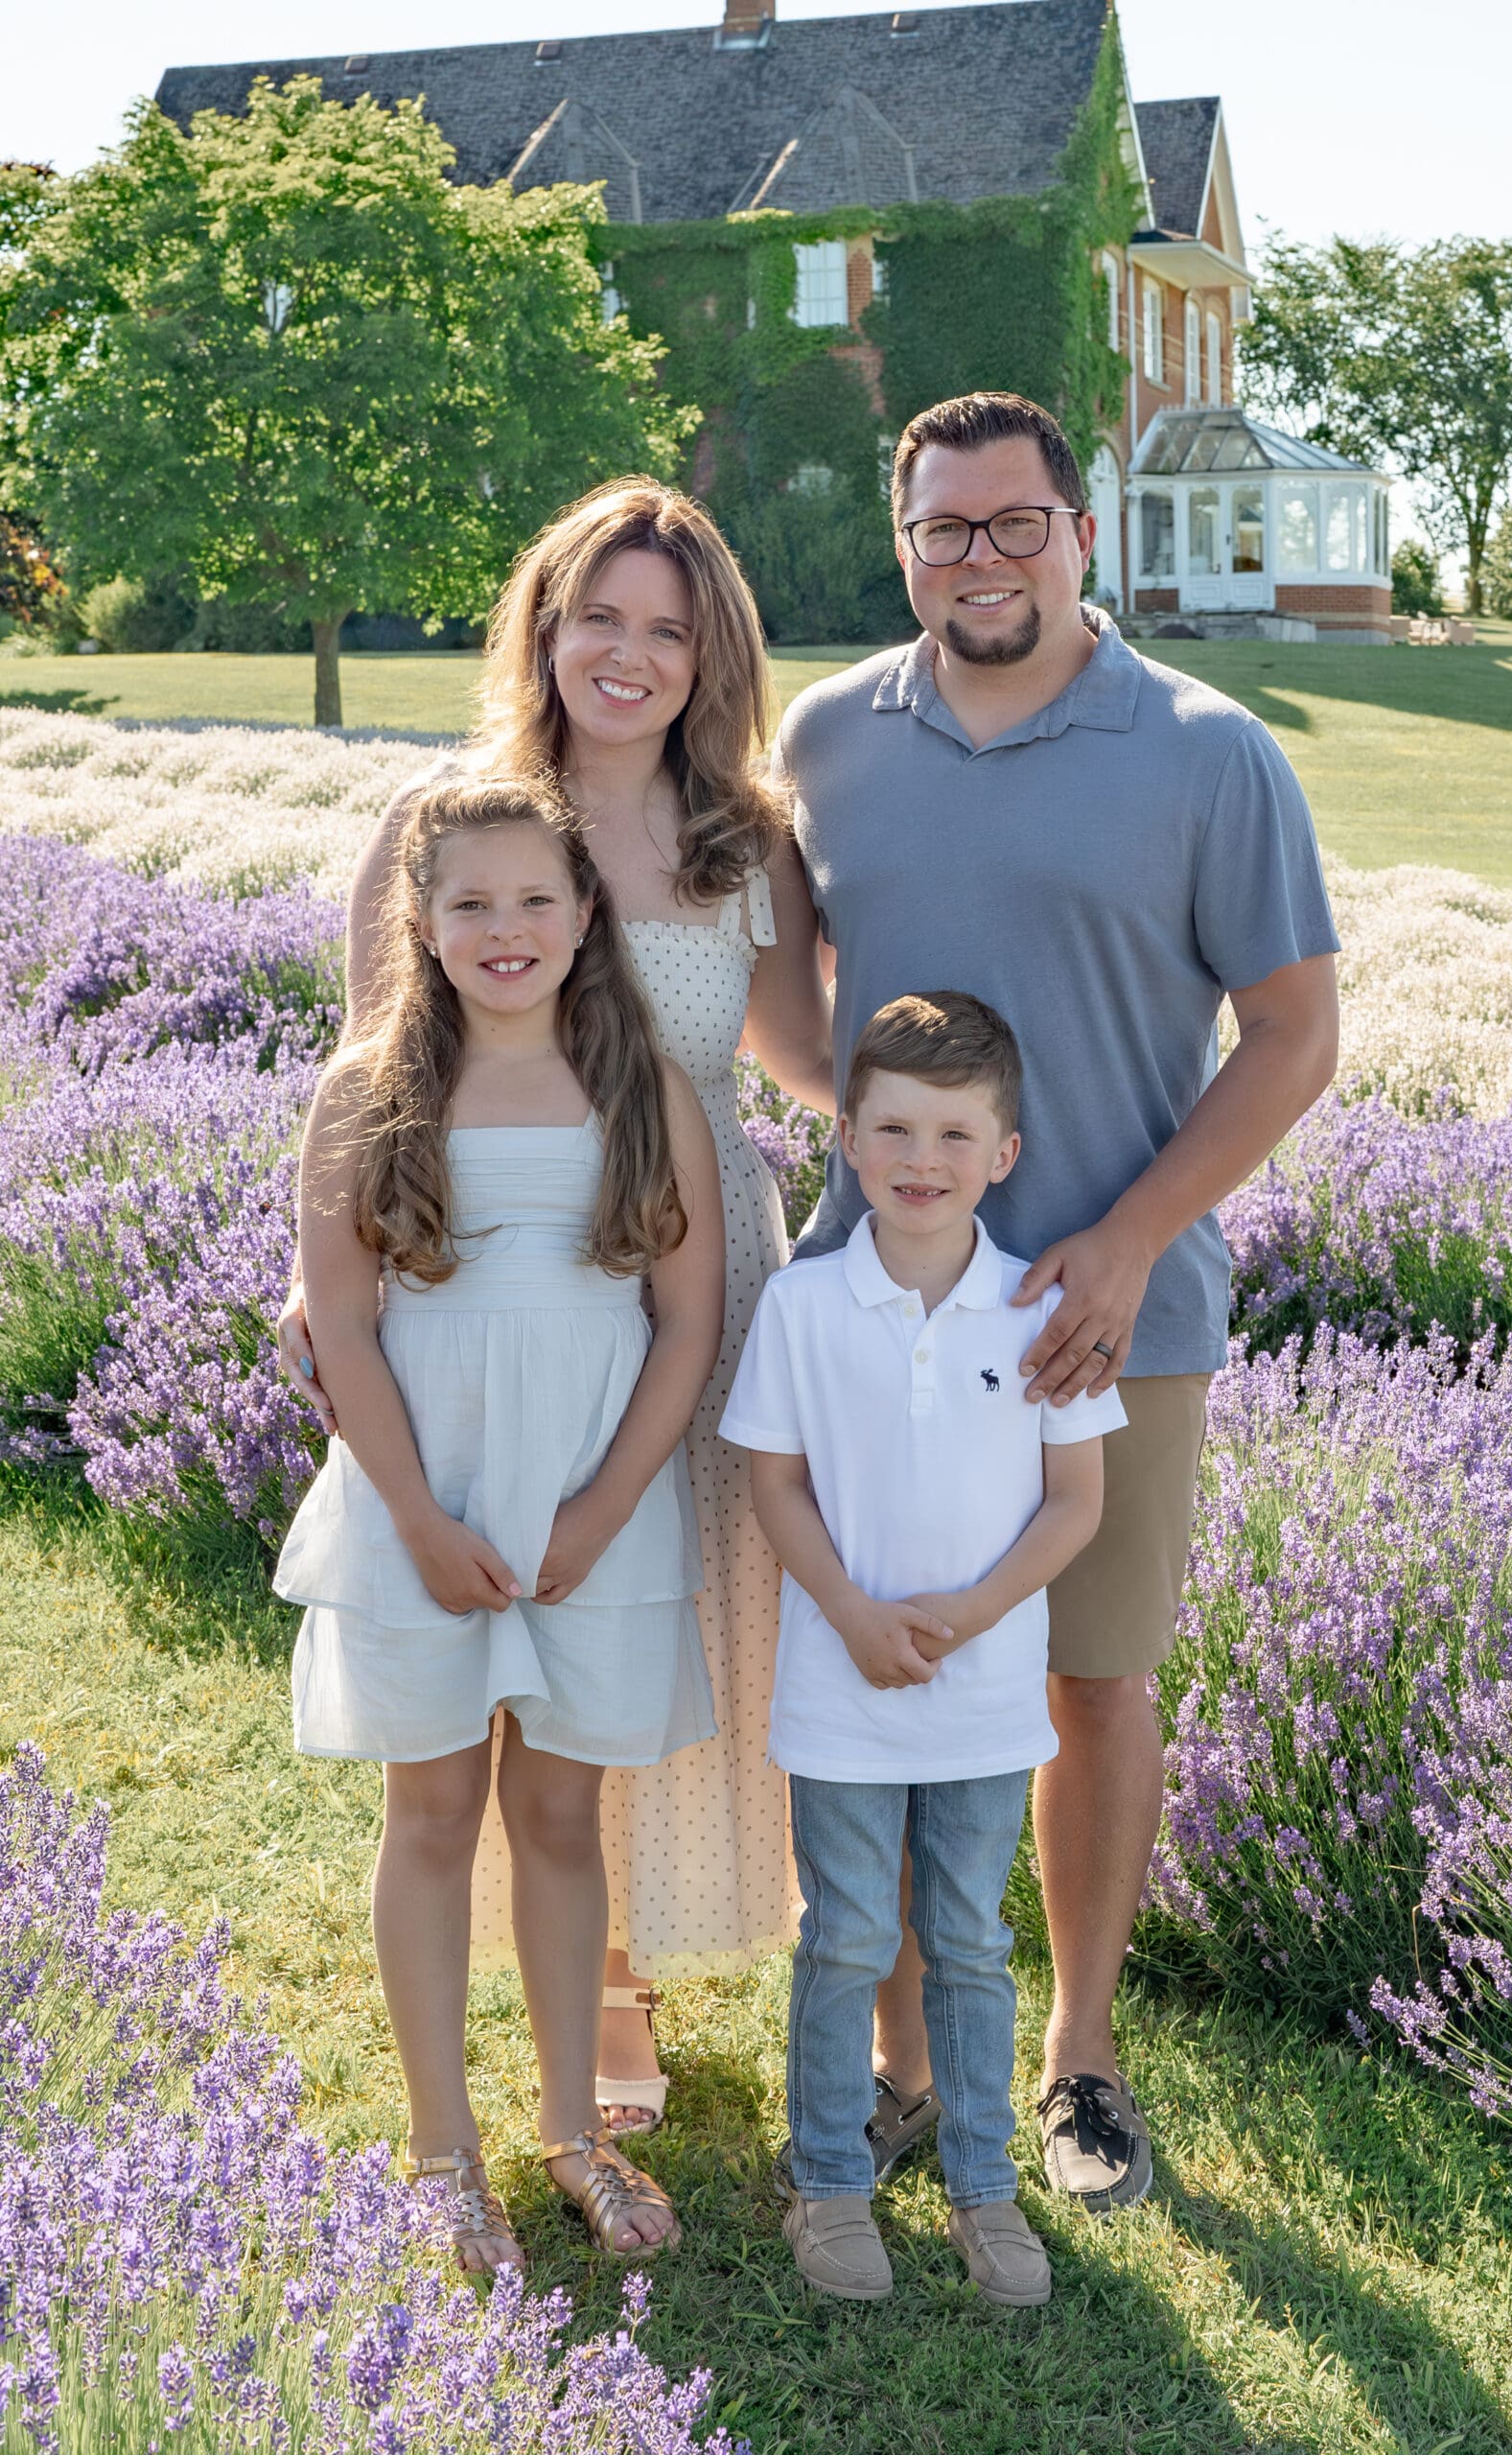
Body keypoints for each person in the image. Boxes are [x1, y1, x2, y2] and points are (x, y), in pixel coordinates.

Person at [773, 392, 1340, 2212]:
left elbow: (1296, 1036)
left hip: (1113, 1318)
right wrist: (883, 1170)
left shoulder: (1208, 749)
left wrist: (1119, 1236)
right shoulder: (829, 736)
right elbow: (787, 1006)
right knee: (873, 1657)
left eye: (1016, 525)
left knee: (1093, 1680)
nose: (980, 562)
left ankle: (1083, 2060)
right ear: (904, 540)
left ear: (1081, 534)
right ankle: (904, 2055)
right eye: (944, 531)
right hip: (873, 1314)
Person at [278, 480, 831, 2136]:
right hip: (484, 1267)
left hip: (691, 1252)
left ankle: (627, 1968)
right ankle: (579, 2012)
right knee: (508, 1628)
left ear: (710, 656)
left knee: (656, 1612)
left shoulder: (746, 842)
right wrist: (316, 1281)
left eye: (670, 629)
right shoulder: (453, 824)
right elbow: (383, 1076)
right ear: (545, 623)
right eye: (602, 615)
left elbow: (801, 1059)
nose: (631, 653)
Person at [274, 775, 725, 2267]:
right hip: (427, 1497)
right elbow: (341, 1321)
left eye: (537, 898)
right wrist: (411, 1516)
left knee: (555, 1813)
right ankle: (439, 2150)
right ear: (421, 917)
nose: (506, 928)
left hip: (593, 1505)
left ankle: (571, 2132)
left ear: (590, 914)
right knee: (435, 1812)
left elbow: (685, 1320)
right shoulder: (368, 1088)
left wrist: (601, 1511)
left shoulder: (641, 1086)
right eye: (470, 902)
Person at [722, 992, 1126, 2304]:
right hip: (840, 1689)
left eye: (956, 1133)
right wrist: (847, 1608)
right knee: (844, 1937)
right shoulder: (804, 1306)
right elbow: (775, 1482)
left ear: (1003, 1154)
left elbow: (1078, 1506)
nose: (921, 1158)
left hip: (985, 1695)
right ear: (845, 1138)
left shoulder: (1037, 1309)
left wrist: (969, 1614)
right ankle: (832, 2181)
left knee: (963, 1940)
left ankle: (983, 2186)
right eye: (892, 1126)